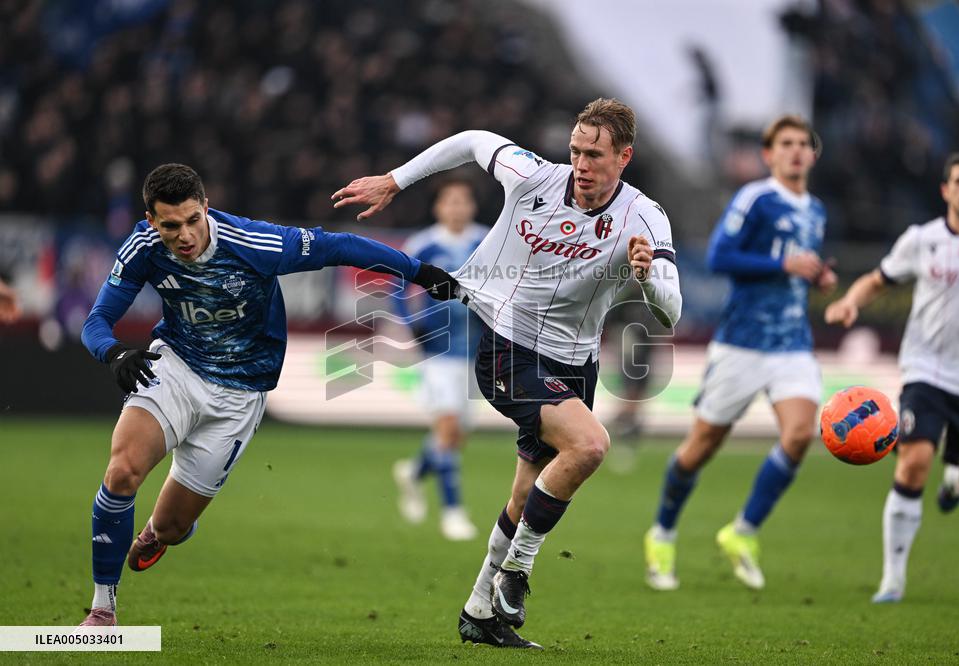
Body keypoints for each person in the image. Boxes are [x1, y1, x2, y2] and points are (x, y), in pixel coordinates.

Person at [333, 97, 683, 649]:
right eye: (575, 150)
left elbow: (672, 308)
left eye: (594, 154)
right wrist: (395, 181)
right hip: (508, 348)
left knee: (525, 497)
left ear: (624, 157)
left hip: (577, 364)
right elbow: (473, 137)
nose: (581, 164)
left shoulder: (646, 217)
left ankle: (478, 613)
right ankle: (517, 570)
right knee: (590, 446)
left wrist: (647, 277)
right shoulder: (533, 176)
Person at [78, 163, 456, 626]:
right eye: (171, 225)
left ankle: (160, 531)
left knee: (175, 528)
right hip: (175, 367)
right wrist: (114, 354)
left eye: (193, 220)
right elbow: (95, 321)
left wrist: (419, 272)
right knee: (122, 472)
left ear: (206, 209)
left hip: (240, 394)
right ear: (152, 220)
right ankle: (102, 611)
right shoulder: (142, 248)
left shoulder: (253, 243)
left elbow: (342, 246)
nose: (184, 236)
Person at [644, 115, 836, 592]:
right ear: (769, 155)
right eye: (784, 144)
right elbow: (719, 257)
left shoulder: (816, 211)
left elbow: (794, 270)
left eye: (802, 144)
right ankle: (662, 533)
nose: (794, 152)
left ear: (813, 155)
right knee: (701, 447)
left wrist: (816, 276)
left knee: (797, 436)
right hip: (741, 343)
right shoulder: (755, 198)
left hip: (792, 344)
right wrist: (782, 263)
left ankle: (742, 532)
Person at [824, 152, 959, 603]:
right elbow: (877, 279)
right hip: (928, 371)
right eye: (957, 181)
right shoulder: (922, 240)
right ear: (945, 191)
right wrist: (851, 303)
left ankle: (955, 473)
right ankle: (893, 580)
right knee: (913, 461)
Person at [391, 179, 489, 541]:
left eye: (463, 201)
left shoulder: (487, 241)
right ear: (439, 208)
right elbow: (397, 288)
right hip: (437, 349)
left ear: (472, 206)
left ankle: (414, 472)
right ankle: (453, 513)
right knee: (448, 429)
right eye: (450, 201)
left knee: (456, 435)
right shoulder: (424, 243)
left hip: (477, 350)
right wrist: (410, 323)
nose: (457, 208)